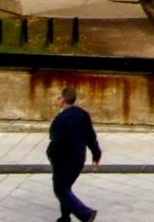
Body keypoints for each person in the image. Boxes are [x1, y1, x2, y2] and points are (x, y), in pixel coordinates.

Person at [47, 86, 101, 222]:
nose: (58, 99)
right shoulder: (83, 115)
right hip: (78, 159)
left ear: (64, 100)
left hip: (63, 160)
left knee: (60, 188)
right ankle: (65, 217)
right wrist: (96, 153)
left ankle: (86, 214)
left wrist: (50, 154)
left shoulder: (61, 119)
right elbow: (91, 137)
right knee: (66, 188)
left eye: (59, 97)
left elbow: (56, 141)